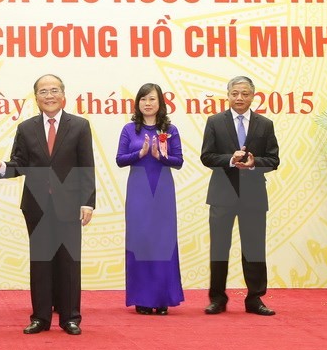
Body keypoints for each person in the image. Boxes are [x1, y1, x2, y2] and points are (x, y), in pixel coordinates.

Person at [0, 74, 95, 336]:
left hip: (70, 205)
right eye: (43, 91)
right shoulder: (26, 128)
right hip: (36, 205)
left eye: (54, 90)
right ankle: (40, 318)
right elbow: (20, 163)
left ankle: (70, 318)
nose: (49, 96)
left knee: (69, 262)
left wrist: (88, 203)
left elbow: (86, 167)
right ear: (35, 97)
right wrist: (3, 168)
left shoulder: (79, 126)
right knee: (41, 262)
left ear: (63, 95)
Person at [200, 76, 280, 316]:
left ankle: (255, 299)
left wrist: (255, 163)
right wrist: (230, 160)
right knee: (219, 248)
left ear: (253, 96)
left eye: (245, 94)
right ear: (228, 95)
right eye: (235, 93)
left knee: (254, 249)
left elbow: (274, 160)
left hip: (254, 196)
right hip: (222, 194)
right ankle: (217, 299)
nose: (239, 98)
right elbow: (207, 157)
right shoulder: (215, 121)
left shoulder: (264, 124)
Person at [116, 83, 185, 315]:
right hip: (138, 190)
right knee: (140, 241)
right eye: (143, 99)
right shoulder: (129, 129)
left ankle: (163, 298)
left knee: (163, 242)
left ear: (160, 103)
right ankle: (142, 298)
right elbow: (120, 159)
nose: (148, 103)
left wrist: (161, 156)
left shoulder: (170, 129)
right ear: (138, 103)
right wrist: (141, 153)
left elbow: (179, 161)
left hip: (162, 190)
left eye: (152, 99)